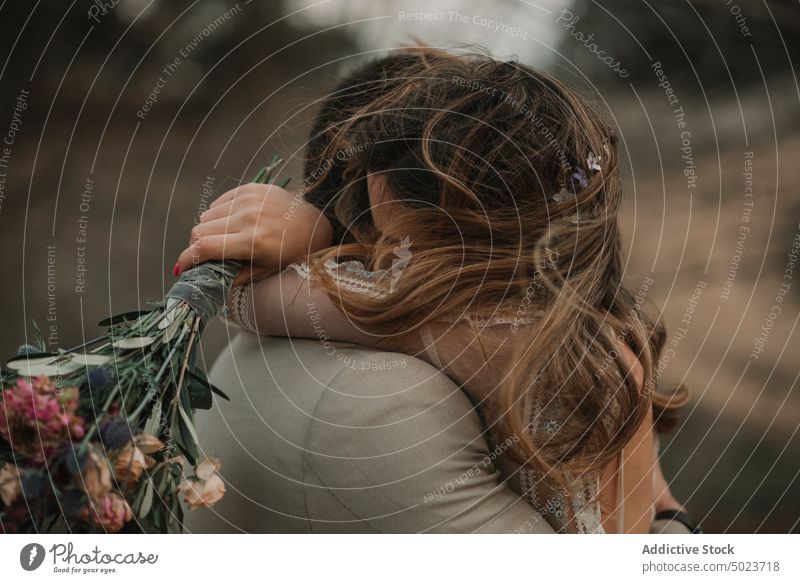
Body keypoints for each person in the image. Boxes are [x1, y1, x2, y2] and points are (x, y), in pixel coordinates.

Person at [178, 48, 696, 534]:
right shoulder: (602, 345)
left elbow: (245, 296)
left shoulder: (440, 326)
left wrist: (312, 239)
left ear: (381, 193)